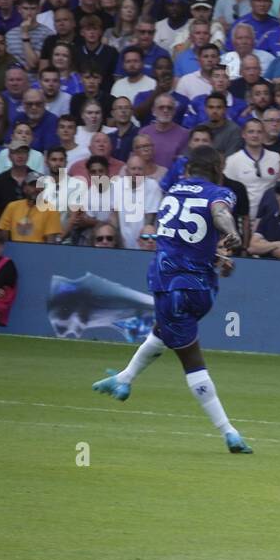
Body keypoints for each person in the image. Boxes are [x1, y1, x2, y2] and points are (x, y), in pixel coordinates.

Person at [91, 147, 252, 455]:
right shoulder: (220, 191)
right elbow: (218, 212)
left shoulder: (172, 191)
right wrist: (229, 237)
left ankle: (229, 432)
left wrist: (223, 236)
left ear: (189, 169)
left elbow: (184, 235)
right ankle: (124, 379)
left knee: (191, 360)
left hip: (168, 284)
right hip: (199, 286)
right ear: (218, 167)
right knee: (166, 329)